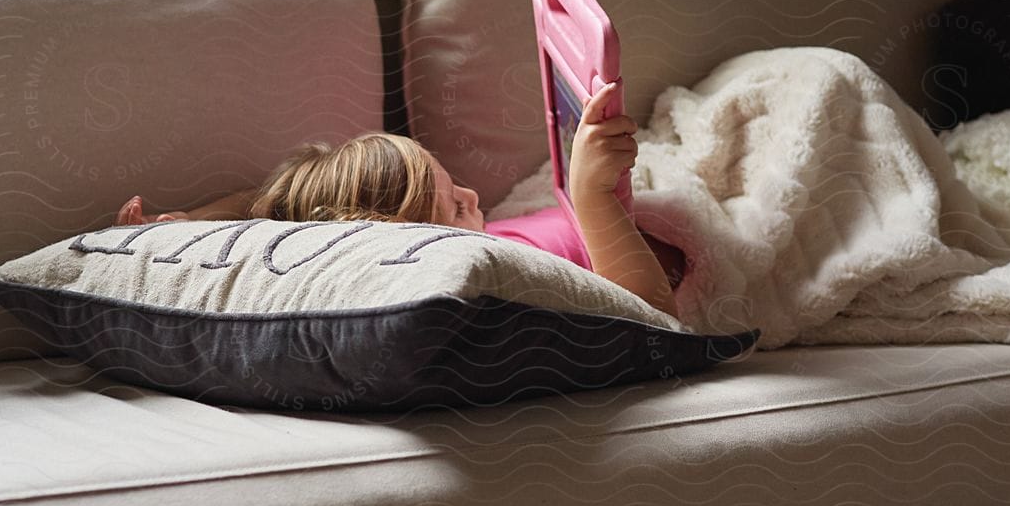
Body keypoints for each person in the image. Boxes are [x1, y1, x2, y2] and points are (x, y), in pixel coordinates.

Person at [116, 82, 684, 317]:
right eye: (456, 208)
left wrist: (194, 223)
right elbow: (651, 318)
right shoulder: (509, 282)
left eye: (452, 181)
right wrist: (591, 193)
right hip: (661, 249)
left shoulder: (470, 229)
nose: (471, 194)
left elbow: (270, 200)